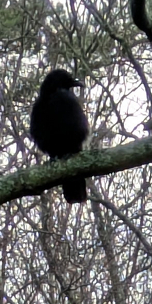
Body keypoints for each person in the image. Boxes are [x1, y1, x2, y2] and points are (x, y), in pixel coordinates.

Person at [29, 69, 90, 203]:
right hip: (67, 150)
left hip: (65, 151)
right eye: (68, 82)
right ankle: (75, 193)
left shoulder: (41, 105)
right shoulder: (63, 99)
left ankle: (74, 192)